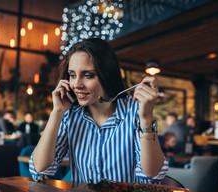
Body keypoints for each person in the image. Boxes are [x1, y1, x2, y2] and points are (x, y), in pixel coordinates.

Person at [29, 38, 168, 183]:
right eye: (72, 75)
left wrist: (146, 119)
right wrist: (56, 112)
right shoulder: (70, 115)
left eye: (88, 75)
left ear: (107, 75)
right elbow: (38, 171)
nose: (76, 84)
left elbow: (152, 175)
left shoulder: (134, 112)